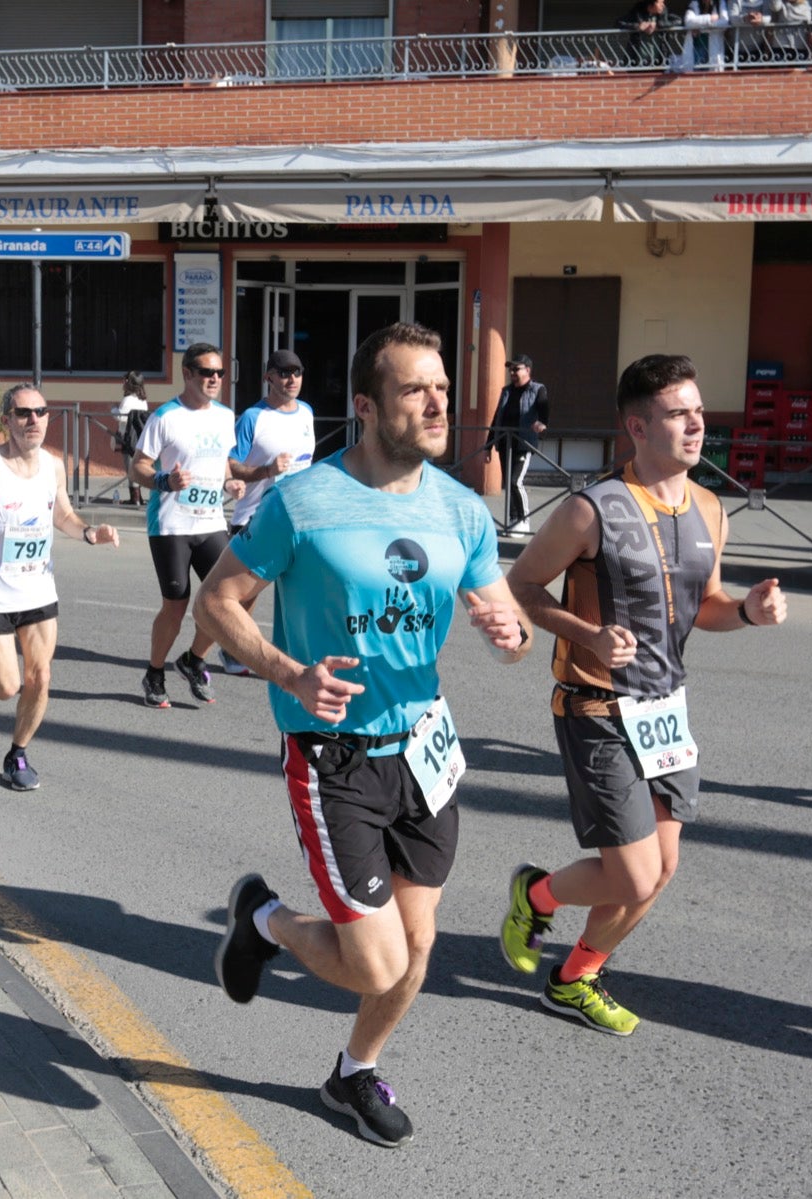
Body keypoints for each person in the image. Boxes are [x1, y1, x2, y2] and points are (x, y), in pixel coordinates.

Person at [199, 321, 532, 1148]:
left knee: (415, 951)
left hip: (426, 752)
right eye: (416, 388)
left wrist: (510, 632)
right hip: (334, 754)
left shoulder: (461, 508)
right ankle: (265, 919)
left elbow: (509, 617)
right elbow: (217, 602)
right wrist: (288, 673)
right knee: (379, 961)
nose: (436, 403)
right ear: (365, 404)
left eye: (444, 389)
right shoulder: (302, 500)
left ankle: (352, 1072)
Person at [499, 354, 786, 1037]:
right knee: (632, 874)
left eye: (697, 410)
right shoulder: (589, 508)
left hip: (664, 707)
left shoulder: (712, 508)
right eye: (678, 413)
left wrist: (746, 610)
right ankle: (535, 894)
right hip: (595, 703)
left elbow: (708, 603)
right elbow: (523, 587)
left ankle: (575, 977)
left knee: (662, 869)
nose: (696, 423)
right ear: (637, 425)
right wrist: (587, 633)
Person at [0, 384, 121, 789]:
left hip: (38, 590)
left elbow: (64, 513)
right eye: (23, 413)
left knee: (41, 678)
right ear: (7, 421)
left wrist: (90, 533)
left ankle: (17, 755)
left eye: (40, 412)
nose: (33, 419)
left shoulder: (54, 466)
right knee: (7, 686)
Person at [130, 342, 245, 708]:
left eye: (219, 373)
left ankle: (194, 660)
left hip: (211, 521)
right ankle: (154, 672)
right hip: (171, 525)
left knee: (226, 600)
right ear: (188, 374)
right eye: (207, 372)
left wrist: (230, 483)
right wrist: (164, 481)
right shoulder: (165, 416)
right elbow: (138, 467)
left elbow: (224, 462)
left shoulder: (226, 416)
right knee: (176, 605)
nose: (214, 379)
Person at [217, 350, 316, 677]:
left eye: (297, 372)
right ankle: (232, 649)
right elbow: (232, 464)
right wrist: (266, 471)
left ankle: (296, 655)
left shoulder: (306, 413)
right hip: (256, 517)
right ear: (268, 377)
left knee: (302, 591)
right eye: (284, 373)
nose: (292, 379)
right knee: (244, 596)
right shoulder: (252, 418)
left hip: (299, 518)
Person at [484, 353, 550, 537]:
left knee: (515, 481)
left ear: (527, 370)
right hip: (505, 443)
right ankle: (513, 520)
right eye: (510, 369)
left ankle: (523, 519)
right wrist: (488, 446)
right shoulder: (506, 391)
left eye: (516, 369)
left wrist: (542, 423)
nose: (512, 372)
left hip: (523, 443)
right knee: (508, 483)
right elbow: (496, 418)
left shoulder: (538, 389)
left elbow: (544, 409)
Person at [113, 372, 150, 506]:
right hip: (139, 437)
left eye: (124, 380)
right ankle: (138, 497)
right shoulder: (143, 400)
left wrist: (113, 410)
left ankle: (134, 499)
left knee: (130, 468)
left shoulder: (127, 400)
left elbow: (121, 417)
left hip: (127, 437)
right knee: (135, 467)